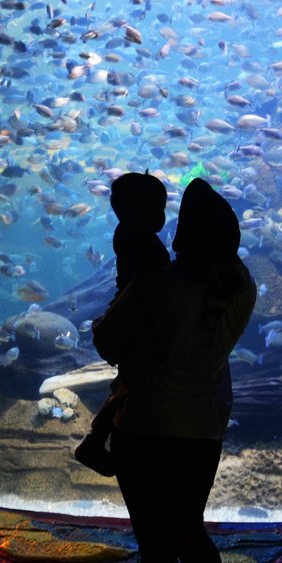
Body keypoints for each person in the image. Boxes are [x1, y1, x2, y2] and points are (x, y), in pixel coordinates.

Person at [92, 177, 256, 561]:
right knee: (190, 532)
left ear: (184, 234)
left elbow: (107, 343)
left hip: (144, 426)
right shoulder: (243, 288)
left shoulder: (156, 283)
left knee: (154, 543)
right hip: (202, 430)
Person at [74, 171, 170, 477]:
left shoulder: (129, 233)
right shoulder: (138, 239)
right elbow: (154, 283)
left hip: (131, 319)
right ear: (139, 210)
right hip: (137, 324)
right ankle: (96, 442)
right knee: (132, 384)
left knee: (127, 382)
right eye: (158, 207)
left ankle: (94, 441)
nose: (163, 215)